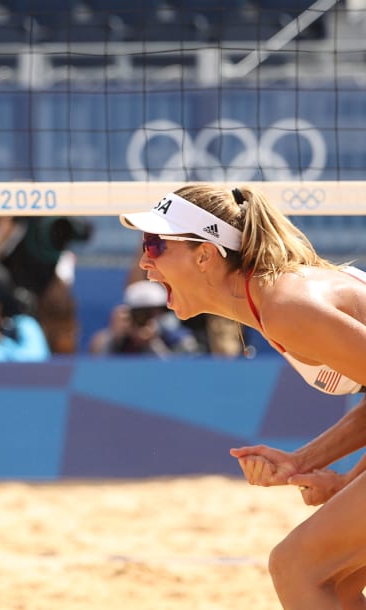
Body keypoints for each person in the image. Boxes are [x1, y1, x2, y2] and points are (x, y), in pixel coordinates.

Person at [119, 184, 366, 609]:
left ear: (205, 255)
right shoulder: (275, 300)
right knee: (335, 586)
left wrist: (344, 478)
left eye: (156, 244)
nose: (144, 259)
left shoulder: (286, 306)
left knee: (297, 569)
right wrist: (313, 466)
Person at [0, 215, 92, 354]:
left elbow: (59, 294)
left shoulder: (49, 242)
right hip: (8, 317)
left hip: (45, 318)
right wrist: (3, 235)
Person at [87, 280, 200, 356]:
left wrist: (153, 343)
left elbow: (180, 374)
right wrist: (114, 338)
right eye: (141, 312)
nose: (148, 318)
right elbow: (100, 369)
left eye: (155, 311)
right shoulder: (116, 339)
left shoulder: (180, 339)